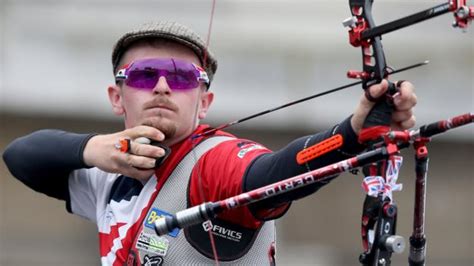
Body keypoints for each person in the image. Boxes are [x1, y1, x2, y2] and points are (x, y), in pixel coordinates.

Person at [3, 21, 416, 265]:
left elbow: (274, 173)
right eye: (145, 75)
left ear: (205, 103)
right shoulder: (109, 175)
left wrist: (349, 134)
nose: (163, 87)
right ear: (117, 97)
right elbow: (21, 156)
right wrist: (94, 149)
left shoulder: (213, 162)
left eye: (182, 77)